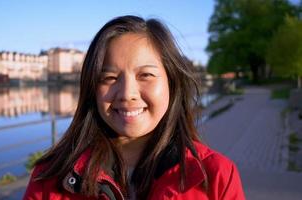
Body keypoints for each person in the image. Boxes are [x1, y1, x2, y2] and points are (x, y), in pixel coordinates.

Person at [23, 15, 245, 200]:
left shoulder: (216, 177)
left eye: (145, 75)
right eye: (109, 77)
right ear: (92, 89)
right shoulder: (49, 180)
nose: (127, 93)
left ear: (171, 82)